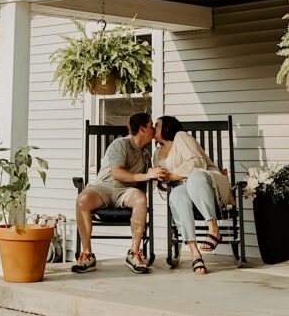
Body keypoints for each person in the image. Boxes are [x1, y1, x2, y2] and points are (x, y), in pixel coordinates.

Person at [71, 111, 165, 275]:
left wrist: (157, 176)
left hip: (125, 193)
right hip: (104, 188)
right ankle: (87, 254)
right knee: (82, 200)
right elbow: (117, 174)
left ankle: (134, 252)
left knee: (141, 199)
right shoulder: (120, 144)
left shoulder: (145, 154)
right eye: (151, 126)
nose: (154, 130)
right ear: (142, 128)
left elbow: (142, 184)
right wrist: (147, 175)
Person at [154, 115, 232, 276]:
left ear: (167, 127)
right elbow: (164, 180)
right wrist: (159, 178)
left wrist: (173, 175)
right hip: (181, 188)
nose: (154, 128)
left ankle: (214, 229)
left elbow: (197, 163)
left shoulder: (181, 137)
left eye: (157, 125)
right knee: (176, 197)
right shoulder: (156, 153)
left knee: (194, 178)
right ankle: (195, 254)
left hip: (207, 184)